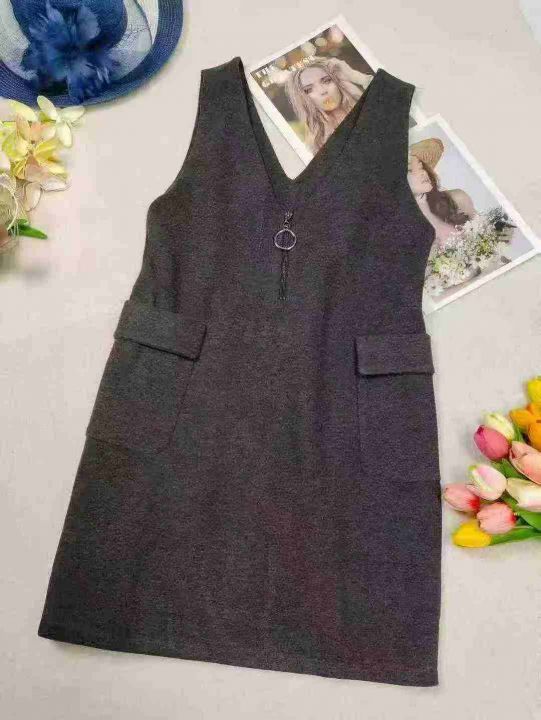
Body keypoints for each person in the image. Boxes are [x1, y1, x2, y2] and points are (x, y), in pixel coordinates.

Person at [283, 56, 374, 153]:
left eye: (327, 81)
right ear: (303, 99)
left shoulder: (368, 107)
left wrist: (357, 77)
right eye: (309, 90)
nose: (323, 91)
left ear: (338, 81)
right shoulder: (316, 144)